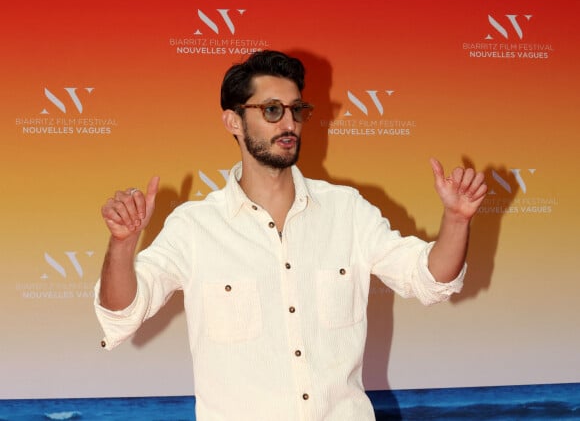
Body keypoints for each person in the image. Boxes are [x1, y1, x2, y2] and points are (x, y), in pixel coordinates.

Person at [96, 50, 487, 421]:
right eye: (271, 110)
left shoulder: (346, 211)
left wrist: (456, 219)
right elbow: (123, 313)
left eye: (296, 110)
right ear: (234, 121)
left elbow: (429, 281)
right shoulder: (195, 227)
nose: (288, 124)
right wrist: (123, 244)